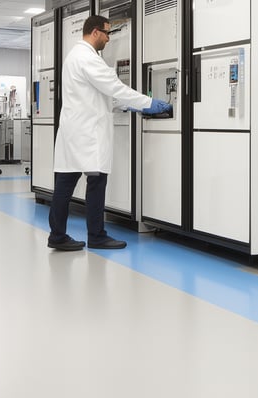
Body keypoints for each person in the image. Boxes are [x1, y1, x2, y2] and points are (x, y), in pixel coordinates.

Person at [48, 14, 170, 251]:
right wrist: (149, 102)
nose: (108, 38)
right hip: (88, 134)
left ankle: (57, 235)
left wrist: (128, 105)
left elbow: (99, 96)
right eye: (107, 33)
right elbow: (114, 87)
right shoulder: (88, 58)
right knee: (96, 182)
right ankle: (96, 236)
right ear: (95, 32)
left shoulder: (74, 56)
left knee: (64, 186)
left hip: (74, 132)